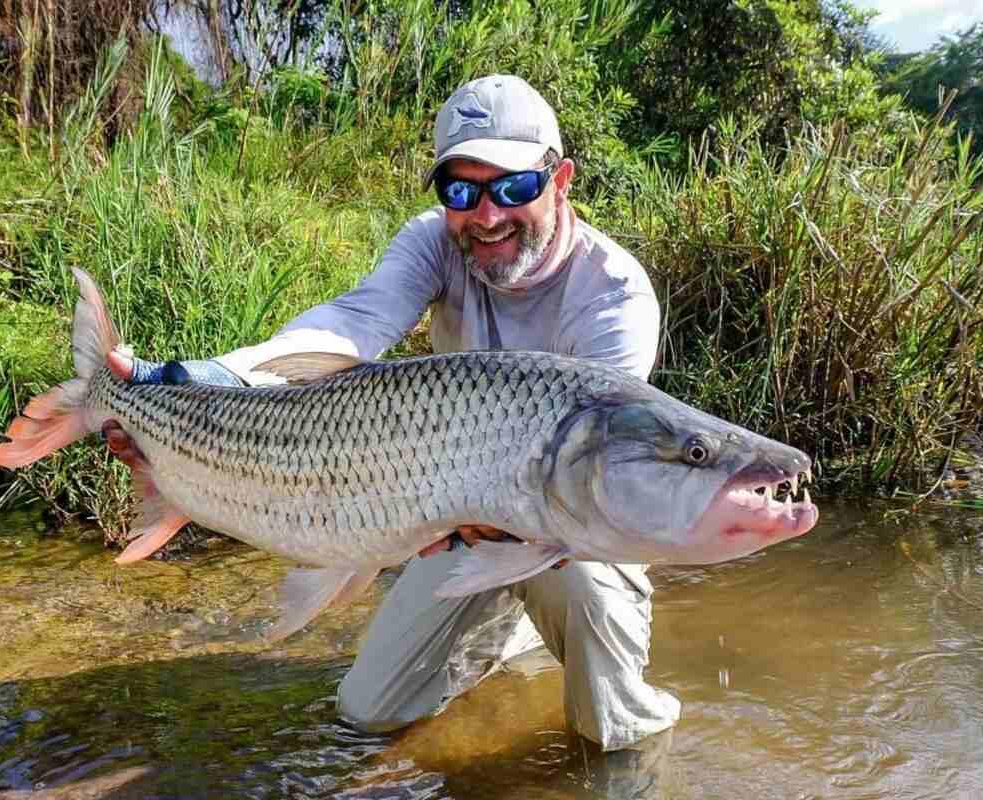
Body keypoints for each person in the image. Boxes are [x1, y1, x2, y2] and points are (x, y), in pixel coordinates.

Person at [103, 74, 680, 751]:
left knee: (601, 687)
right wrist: (216, 377)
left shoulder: (614, 295)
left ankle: (633, 739)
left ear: (561, 181)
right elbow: (354, 322)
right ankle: (507, 630)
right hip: (451, 520)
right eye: (460, 192)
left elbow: (592, 473)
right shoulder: (436, 240)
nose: (486, 215)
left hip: (565, 530)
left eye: (513, 187)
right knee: (369, 714)